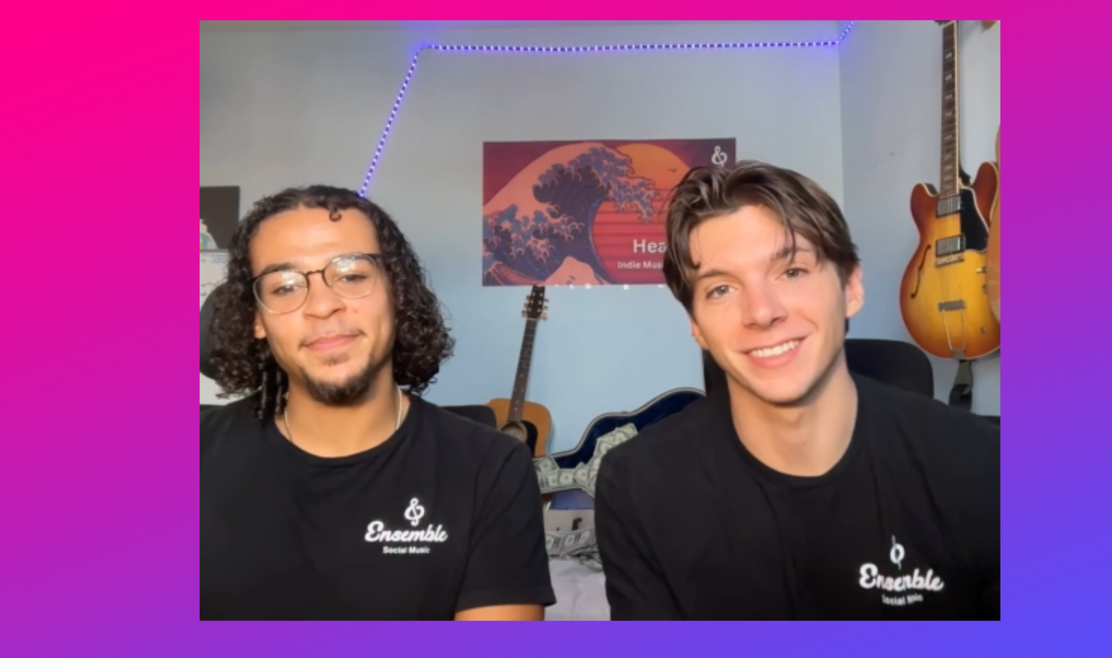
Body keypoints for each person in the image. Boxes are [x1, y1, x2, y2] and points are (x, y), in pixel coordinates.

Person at [594, 161, 1000, 620]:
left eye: (791, 271)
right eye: (722, 288)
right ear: (697, 327)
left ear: (851, 287)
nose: (762, 312)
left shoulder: (982, 462)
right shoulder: (638, 485)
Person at [200, 186, 555, 620]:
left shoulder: (491, 467)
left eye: (351, 275)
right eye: (285, 286)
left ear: (396, 291)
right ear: (257, 318)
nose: (323, 305)